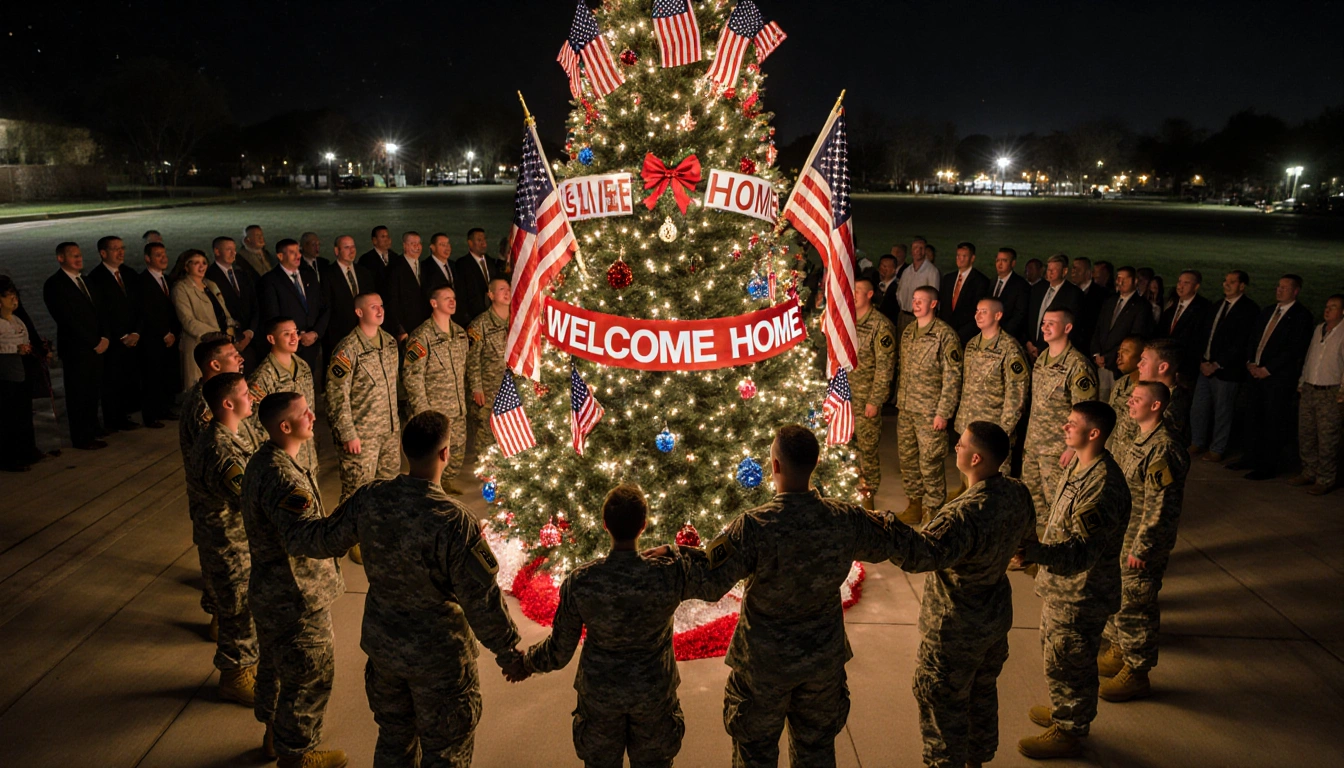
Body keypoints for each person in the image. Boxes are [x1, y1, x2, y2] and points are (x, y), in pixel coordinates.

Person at [283, 411, 524, 768]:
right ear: (445, 454)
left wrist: (284, 513)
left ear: (404, 448)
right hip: (439, 660)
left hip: (385, 652)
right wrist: (508, 652)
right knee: (445, 752)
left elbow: (321, 540)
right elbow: (481, 599)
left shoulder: (371, 499)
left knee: (394, 741)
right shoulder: (453, 521)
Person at [692, 425, 908, 767]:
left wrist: (664, 559)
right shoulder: (844, 520)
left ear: (774, 466)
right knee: (816, 752)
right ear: (816, 462)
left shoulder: (754, 527)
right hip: (821, 662)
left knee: (755, 754)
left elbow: (706, 580)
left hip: (763, 666)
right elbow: (896, 544)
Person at [523, 484, 714, 768]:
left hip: (601, 698)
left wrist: (525, 663)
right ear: (643, 526)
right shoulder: (669, 573)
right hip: (653, 695)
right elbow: (712, 569)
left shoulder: (582, 581)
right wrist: (675, 550)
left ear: (604, 525)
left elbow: (559, 651)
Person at [889, 422, 1034, 768]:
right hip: (993, 616)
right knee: (982, 691)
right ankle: (976, 760)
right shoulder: (1017, 493)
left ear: (976, 458)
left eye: (962, 444)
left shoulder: (962, 514)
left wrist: (883, 528)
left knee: (942, 700)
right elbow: (1025, 545)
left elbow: (919, 557)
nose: (956, 447)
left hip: (955, 626)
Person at [1017, 401, 1130, 760]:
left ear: (1093, 433)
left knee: (1072, 660)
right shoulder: (1079, 466)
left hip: (1083, 591)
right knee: (1057, 656)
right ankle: (1064, 709)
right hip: (1061, 586)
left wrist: (1036, 554)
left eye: (1071, 424)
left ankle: (1070, 730)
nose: (1064, 428)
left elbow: (1083, 553)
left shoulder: (1102, 485)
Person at [241, 392, 347, 768]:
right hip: (297, 597)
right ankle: (296, 756)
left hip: (272, 592)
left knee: (274, 666)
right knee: (309, 677)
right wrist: (351, 525)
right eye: (305, 414)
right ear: (285, 426)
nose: (313, 417)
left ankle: (273, 738)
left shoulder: (265, 459)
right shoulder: (284, 478)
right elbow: (304, 539)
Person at [1098, 381, 1190, 703]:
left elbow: (1161, 505)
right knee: (1120, 597)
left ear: (1156, 406)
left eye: (1137, 400)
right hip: (1124, 534)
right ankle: (1119, 649)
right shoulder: (1140, 439)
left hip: (1141, 540)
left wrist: (1144, 546)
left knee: (1137, 603)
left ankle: (1137, 672)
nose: (1129, 404)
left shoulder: (1163, 447)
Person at [188, 371, 262, 707]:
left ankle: (246, 666)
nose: (252, 398)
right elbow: (246, 500)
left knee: (241, 607)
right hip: (229, 544)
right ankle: (234, 677)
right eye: (246, 393)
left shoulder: (229, 435)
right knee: (237, 610)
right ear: (228, 403)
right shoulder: (221, 450)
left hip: (234, 540)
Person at [179, 335, 247, 641]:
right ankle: (222, 623)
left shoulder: (218, 397)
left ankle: (219, 611)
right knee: (226, 574)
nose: (240, 358)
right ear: (215, 364)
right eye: (233, 355)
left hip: (221, 503)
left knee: (222, 572)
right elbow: (219, 460)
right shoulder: (205, 408)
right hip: (218, 507)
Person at [327, 292, 401, 544]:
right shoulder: (348, 350)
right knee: (356, 491)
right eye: (373, 307)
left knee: (387, 486)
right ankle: (352, 539)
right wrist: (348, 433)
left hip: (390, 430)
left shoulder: (390, 342)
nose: (380, 310)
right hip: (362, 434)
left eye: (381, 305)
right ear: (359, 313)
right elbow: (337, 395)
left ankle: (378, 532)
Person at [1022, 309, 1097, 531]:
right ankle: (1039, 553)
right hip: (1034, 446)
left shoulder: (1077, 365)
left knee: (1058, 506)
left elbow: (1085, 412)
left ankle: (1056, 556)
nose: (1045, 327)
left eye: (1051, 323)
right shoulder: (1042, 359)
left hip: (1057, 450)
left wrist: (1071, 448)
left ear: (1067, 328)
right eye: (1043, 322)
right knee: (1035, 504)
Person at [1234, 274, 1314, 480]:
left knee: (1272, 421)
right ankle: (1249, 456)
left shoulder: (1300, 316)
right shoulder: (1269, 311)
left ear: (1296, 291)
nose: (1279, 290)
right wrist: (1251, 362)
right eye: (1278, 286)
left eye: (1285, 288)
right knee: (1252, 417)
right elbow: (1254, 337)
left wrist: (1268, 369)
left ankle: (1267, 465)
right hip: (1255, 373)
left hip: (1277, 379)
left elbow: (1294, 348)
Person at [895, 286, 963, 525]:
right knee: (908, 460)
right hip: (906, 408)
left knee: (930, 463)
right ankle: (915, 504)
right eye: (914, 300)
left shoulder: (945, 335)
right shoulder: (908, 331)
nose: (915, 304)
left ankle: (934, 511)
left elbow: (952, 377)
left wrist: (943, 413)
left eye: (921, 300)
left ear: (933, 304)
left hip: (930, 412)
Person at [403, 286, 471, 494]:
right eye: (446, 298)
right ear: (434, 303)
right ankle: (430, 489)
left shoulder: (460, 333)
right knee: (433, 455)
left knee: (457, 451)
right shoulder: (421, 337)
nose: (452, 302)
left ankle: (446, 484)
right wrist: (423, 411)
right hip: (435, 409)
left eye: (454, 298)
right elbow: (412, 376)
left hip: (458, 408)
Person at [43, 242, 109, 450]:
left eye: (80, 255)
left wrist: (105, 337)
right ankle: (81, 436)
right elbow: (66, 318)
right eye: (74, 256)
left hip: (97, 345)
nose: (79, 259)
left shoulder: (86, 281)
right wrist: (93, 341)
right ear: (61, 258)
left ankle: (92, 427)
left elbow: (101, 310)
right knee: (78, 393)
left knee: (92, 390)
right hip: (77, 349)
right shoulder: (55, 285)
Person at [955, 298, 1030, 479]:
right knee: (967, 481)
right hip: (969, 426)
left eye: (984, 311)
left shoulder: (1010, 348)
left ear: (998, 315)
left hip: (993, 429)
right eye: (977, 311)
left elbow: (1017, 394)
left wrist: (1003, 431)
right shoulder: (972, 344)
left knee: (993, 483)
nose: (978, 315)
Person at [1189, 271, 1258, 463]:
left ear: (1242, 286)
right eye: (1225, 281)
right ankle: (1197, 441)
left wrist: (1218, 364)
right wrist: (1203, 360)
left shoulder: (1248, 310)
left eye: (1232, 282)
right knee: (1199, 407)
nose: (1226, 285)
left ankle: (1217, 448)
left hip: (1227, 371)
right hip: (1205, 366)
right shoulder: (1217, 305)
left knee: (1223, 411)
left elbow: (1241, 342)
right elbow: (1204, 334)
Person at [85, 235, 143, 431]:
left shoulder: (129, 274)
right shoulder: (95, 278)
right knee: (112, 381)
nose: (121, 252)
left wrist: (136, 332)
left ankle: (125, 414)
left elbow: (139, 306)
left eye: (122, 248)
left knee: (129, 378)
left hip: (133, 336)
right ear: (103, 253)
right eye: (115, 249)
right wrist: (119, 336)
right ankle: (113, 419)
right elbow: (102, 312)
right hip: (114, 340)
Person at [248, 317, 320, 475]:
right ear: (271, 339)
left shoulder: (302, 366)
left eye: (295, 332)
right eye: (287, 334)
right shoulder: (263, 377)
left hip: (307, 458)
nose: (294, 338)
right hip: (282, 462)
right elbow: (253, 424)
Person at [850, 279, 898, 506]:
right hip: (846, 398)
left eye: (858, 291)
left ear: (870, 294)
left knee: (867, 450)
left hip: (865, 399)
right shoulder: (847, 321)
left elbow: (885, 368)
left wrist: (875, 400)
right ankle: (850, 489)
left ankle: (869, 495)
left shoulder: (880, 326)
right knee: (847, 448)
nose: (853, 294)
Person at [1290, 294, 1344, 495]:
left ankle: (1325, 478)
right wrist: (1303, 381)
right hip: (1311, 387)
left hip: (1330, 390)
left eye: (1334, 307)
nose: (1328, 309)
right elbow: (1310, 356)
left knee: (1327, 436)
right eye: (1327, 306)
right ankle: (1309, 471)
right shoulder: (1318, 330)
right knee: (1306, 432)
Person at [258, 239, 327, 379]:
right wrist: (297, 335)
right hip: (288, 347)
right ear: (280, 256)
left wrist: (315, 333)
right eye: (292, 252)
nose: (298, 255)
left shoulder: (309, 275)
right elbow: (272, 315)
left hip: (311, 345)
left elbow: (323, 306)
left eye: (299, 251)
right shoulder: (269, 281)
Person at [172, 249, 237, 390]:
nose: (201, 266)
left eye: (204, 263)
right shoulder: (181, 288)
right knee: (199, 389)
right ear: (186, 266)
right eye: (196, 263)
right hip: (198, 345)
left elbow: (224, 313)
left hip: (221, 345)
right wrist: (215, 335)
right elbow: (188, 321)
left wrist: (231, 332)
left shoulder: (211, 285)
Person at [1090, 266, 1153, 401]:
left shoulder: (1141, 306)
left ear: (1135, 281)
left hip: (1119, 367)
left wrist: (1110, 357)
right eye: (1119, 278)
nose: (1121, 282)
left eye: (1125, 279)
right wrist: (1096, 353)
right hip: (1101, 364)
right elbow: (1099, 328)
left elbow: (1135, 337)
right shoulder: (1110, 301)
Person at [136, 241, 181, 426]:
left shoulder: (167, 280)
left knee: (165, 374)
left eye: (164, 254)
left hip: (171, 337)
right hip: (153, 339)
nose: (163, 258)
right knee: (152, 377)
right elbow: (146, 312)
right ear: (147, 258)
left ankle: (164, 408)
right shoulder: (142, 282)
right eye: (158, 255)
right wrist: (164, 333)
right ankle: (151, 414)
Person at [466, 279, 512, 450]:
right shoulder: (479, 325)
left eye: (509, 289)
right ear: (491, 295)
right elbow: (472, 360)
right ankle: (486, 474)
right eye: (501, 289)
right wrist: (477, 388)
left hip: (513, 387)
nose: (507, 292)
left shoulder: (517, 320)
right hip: (489, 389)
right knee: (486, 434)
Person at [0, 277, 39, 471]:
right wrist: (15, 348)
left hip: (20, 371)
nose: (14, 300)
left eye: (15, 295)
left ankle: (25, 450)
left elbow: (25, 337)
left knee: (22, 413)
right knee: (8, 416)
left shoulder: (17, 320)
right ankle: (10, 457)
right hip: (5, 373)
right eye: (9, 296)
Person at [206, 236, 259, 369]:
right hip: (227, 340)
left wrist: (249, 332)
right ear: (217, 251)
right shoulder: (209, 277)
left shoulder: (242, 275)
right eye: (228, 250)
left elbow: (255, 304)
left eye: (234, 250)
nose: (233, 253)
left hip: (249, 338)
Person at [320, 235, 375, 360]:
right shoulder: (327, 274)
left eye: (353, 247)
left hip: (364, 334)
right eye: (347, 247)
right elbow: (326, 306)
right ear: (336, 251)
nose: (352, 250)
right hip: (338, 336)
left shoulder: (364, 272)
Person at [1025, 254, 1083, 361]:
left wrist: (1043, 348)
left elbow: (1072, 326)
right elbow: (1029, 317)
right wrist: (1029, 342)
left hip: (1055, 353)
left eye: (1054, 270)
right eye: (1048, 269)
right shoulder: (1037, 289)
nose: (1050, 273)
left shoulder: (1073, 294)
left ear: (1064, 271)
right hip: (1031, 349)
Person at [1158, 270, 1212, 385]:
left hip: (1186, 368)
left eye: (1186, 283)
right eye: (1179, 282)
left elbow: (1200, 339)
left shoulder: (1203, 308)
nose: (1180, 286)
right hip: (1166, 363)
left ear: (1196, 286)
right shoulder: (1172, 304)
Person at [1136, 338, 1190, 447]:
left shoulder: (1172, 403)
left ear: (1162, 367)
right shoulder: (1150, 392)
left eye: (1144, 361)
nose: (1138, 365)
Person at [380, 231, 431, 342]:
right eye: (413, 243)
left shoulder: (426, 267)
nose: (417, 246)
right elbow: (391, 300)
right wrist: (399, 327)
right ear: (404, 246)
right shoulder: (394, 268)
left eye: (419, 243)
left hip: (425, 326)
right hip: (406, 327)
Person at [938, 242, 991, 345]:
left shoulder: (980, 281)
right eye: (958, 255)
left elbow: (977, 310)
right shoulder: (948, 279)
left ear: (972, 258)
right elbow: (944, 306)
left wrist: (961, 335)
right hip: (946, 335)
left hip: (967, 337)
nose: (960, 259)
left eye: (964, 256)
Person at [452, 227, 505, 327]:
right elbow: (462, 294)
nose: (483, 243)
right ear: (470, 243)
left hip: (494, 316)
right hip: (474, 318)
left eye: (484, 239)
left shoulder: (491, 262)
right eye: (479, 240)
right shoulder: (462, 264)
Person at [1104, 337, 1145, 453]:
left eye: (1126, 352)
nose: (1119, 356)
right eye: (1119, 352)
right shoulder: (1121, 383)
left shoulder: (1150, 390)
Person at [894, 236, 940, 339]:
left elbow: (933, 296)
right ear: (912, 250)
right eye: (916, 248)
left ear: (925, 250)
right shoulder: (907, 271)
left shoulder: (931, 271)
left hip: (919, 318)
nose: (918, 251)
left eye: (921, 248)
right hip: (903, 315)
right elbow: (899, 292)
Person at [990, 247, 1032, 345]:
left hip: (1008, 338)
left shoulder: (1021, 285)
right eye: (998, 260)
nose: (1000, 264)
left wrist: (1002, 335)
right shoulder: (992, 282)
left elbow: (1020, 314)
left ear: (1013, 263)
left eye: (1004, 260)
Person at [1070, 256, 1106, 356]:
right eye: (1073, 268)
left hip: (1089, 349)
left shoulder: (1101, 295)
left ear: (1088, 273)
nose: (1073, 272)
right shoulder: (1070, 292)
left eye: (1077, 269)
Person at [421, 232, 457, 298]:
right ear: (433, 247)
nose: (447, 248)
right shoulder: (425, 267)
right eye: (442, 245)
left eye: (448, 244)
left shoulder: (455, 265)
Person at [873, 253, 902, 325]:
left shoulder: (898, 287)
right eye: (881, 266)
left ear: (894, 270)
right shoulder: (874, 283)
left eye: (886, 266)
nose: (883, 269)